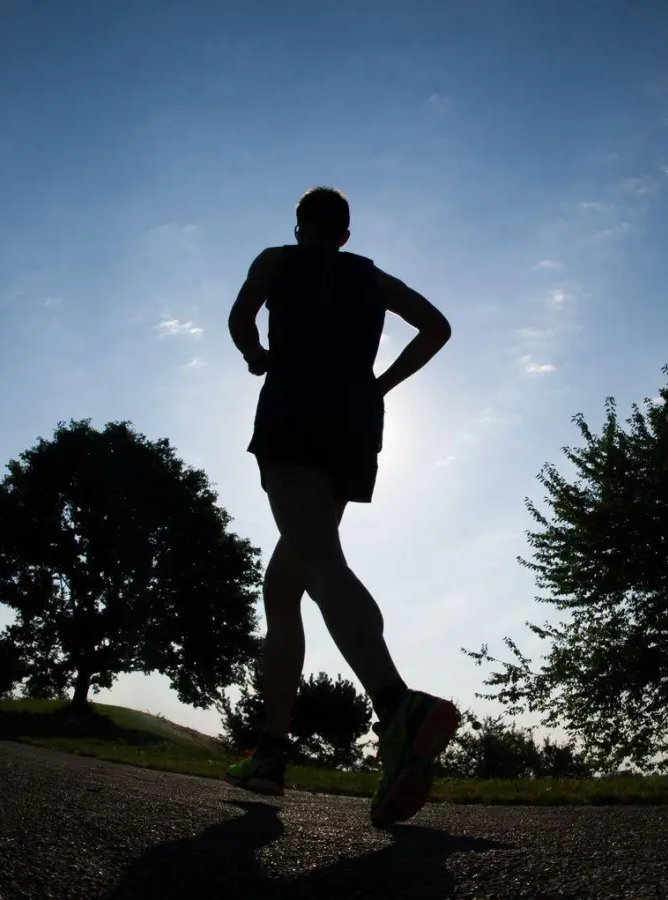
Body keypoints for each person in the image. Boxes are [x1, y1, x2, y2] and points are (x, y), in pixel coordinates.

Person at [222, 186, 459, 827]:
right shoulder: (370, 276)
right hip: (354, 426)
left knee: (320, 560)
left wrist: (256, 356)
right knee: (284, 586)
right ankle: (271, 750)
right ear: (346, 234)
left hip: (294, 413)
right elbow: (437, 327)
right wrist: (381, 383)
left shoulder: (276, 259)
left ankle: (397, 705)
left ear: (300, 227)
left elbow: (241, 320)